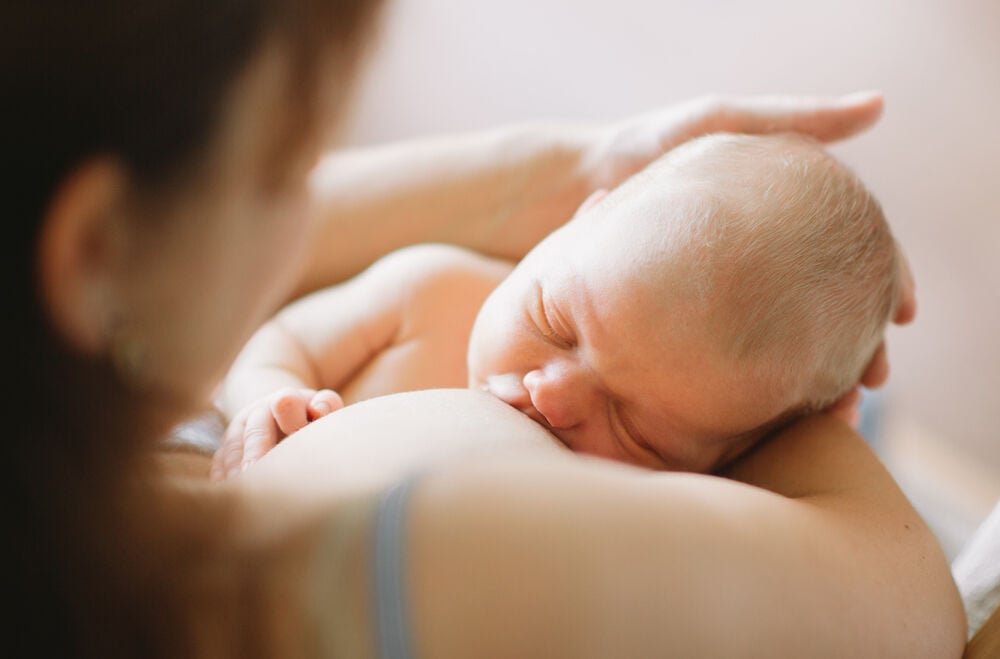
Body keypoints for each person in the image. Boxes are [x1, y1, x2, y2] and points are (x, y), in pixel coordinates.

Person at [5, 0, 966, 656]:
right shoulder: (425, 551)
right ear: (95, 253)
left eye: (640, 428)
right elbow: (914, 604)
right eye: (293, 165)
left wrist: (565, 182)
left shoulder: (76, 460)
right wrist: (805, 410)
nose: (550, 392)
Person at [214, 131, 899, 479]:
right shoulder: (432, 292)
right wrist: (269, 399)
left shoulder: (647, 505)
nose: (553, 394)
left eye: (639, 431)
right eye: (556, 323)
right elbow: (281, 339)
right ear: (573, 222)